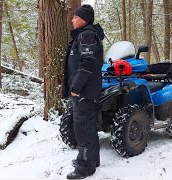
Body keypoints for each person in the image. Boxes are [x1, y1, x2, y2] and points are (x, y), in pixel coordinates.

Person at [62, 4, 104, 180]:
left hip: (84, 91)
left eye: (75, 17)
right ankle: (91, 160)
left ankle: (84, 166)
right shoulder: (84, 35)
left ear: (84, 19)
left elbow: (87, 64)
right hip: (85, 91)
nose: (72, 20)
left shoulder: (87, 36)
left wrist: (76, 87)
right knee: (87, 126)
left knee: (82, 127)